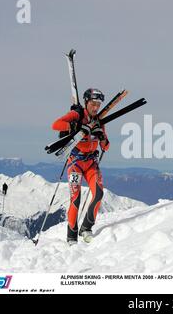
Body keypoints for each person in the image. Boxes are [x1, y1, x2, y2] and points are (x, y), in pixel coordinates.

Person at [52, 88, 110, 245]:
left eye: (98, 104)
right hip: (75, 163)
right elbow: (56, 125)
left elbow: (106, 147)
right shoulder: (77, 115)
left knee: (98, 194)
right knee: (75, 199)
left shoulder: (99, 121)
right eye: (93, 104)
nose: (96, 107)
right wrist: (75, 126)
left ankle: (86, 227)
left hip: (91, 163)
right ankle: (71, 236)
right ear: (86, 102)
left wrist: (101, 136)